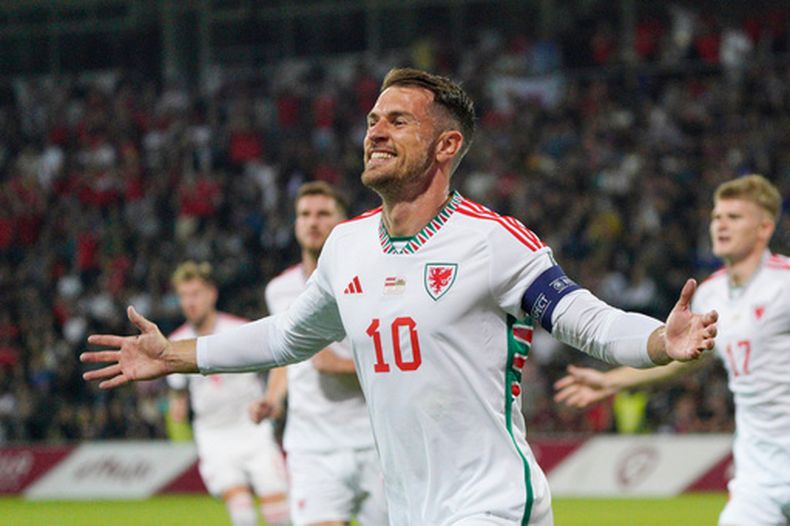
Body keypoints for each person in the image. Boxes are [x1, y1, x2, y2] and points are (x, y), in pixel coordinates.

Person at [82, 68, 718, 525]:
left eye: (397, 120)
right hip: (409, 506)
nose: (375, 132)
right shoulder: (346, 246)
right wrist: (176, 356)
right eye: (371, 120)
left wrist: (661, 340)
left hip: (491, 503)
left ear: (447, 146)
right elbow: (282, 338)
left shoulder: (492, 241)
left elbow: (586, 320)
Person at [554, 174, 789, 526]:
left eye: (735, 217)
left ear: (764, 228)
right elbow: (686, 361)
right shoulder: (711, 295)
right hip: (758, 476)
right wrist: (611, 382)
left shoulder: (784, 283)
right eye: (717, 216)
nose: (721, 224)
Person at [249, 181, 388, 525]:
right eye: (305, 214)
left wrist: (339, 365)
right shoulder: (279, 290)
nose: (313, 222)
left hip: (377, 442)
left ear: (343, 224)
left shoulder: (375, 282)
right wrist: (273, 397)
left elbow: (395, 360)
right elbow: (285, 356)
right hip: (311, 447)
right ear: (295, 224)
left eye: (324, 214)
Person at [166, 261, 290, 526]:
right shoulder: (175, 344)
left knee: (278, 509)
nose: (190, 302)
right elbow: (178, 398)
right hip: (214, 435)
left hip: (253, 429)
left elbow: (279, 365)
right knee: (241, 509)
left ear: (212, 294)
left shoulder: (240, 330)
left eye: (195, 294)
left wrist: (271, 400)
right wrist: (178, 417)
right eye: (184, 295)